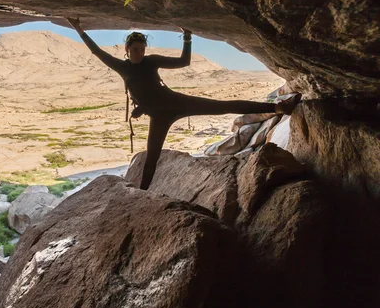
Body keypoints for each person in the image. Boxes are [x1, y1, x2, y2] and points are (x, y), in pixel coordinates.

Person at [66, 17, 301, 190]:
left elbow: (184, 61)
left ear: (144, 50)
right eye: (134, 49)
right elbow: (96, 52)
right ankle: (143, 193)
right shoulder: (122, 67)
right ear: (126, 51)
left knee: (225, 105)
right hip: (159, 116)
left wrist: (187, 35)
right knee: (152, 156)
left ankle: (279, 108)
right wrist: (78, 28)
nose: (138, 52)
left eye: (141, 49)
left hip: (177, 103)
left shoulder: (152, 61)